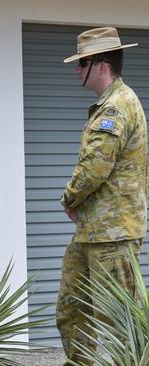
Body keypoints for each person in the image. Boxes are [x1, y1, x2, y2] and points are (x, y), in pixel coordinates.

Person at [57, 27, 147, 366]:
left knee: (120, 322)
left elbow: (95, 166)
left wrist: (69, 199)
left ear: (101, 65)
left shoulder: (117, 107)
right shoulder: (108, 105)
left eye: (82, 64)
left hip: (114, 234)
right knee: (72, 309)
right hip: (94, 232)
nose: (77, 70)